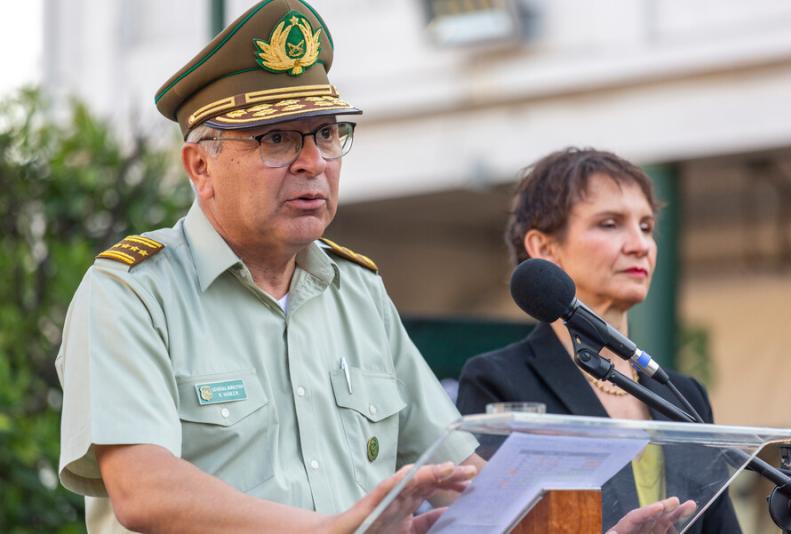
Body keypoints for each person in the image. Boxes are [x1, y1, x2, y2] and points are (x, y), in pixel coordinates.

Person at [55, 2, 481, 532]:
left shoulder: (357, 291)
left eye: (326, 134)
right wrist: (330, 530)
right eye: (276, 138)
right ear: (200, 166)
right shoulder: (132, 292)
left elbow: (458, 471)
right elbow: (144, 489)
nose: (313, 162)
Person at [456, 147, 742, 533]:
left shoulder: (685, 396)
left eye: (646, 226)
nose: (639, 244)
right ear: (543, 248)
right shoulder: (499, 378)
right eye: (610, 224)